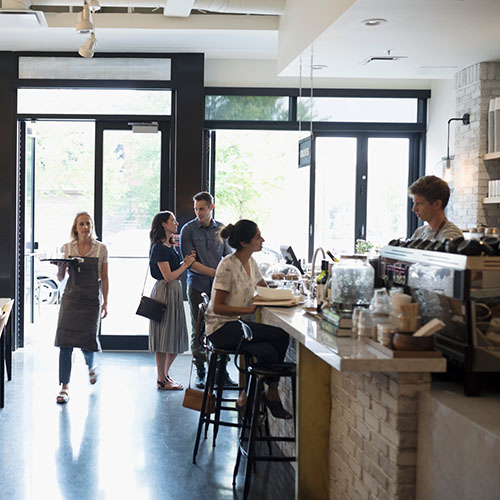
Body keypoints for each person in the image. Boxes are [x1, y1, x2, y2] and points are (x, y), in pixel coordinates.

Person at [204, 219, 292, 419]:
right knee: (278, 337)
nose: (263, 240)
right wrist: (247, 307)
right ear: (244, 243)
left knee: (270, 349)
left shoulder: (251, 262)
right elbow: (217, 307)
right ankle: (270, 395)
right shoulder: (227, 265)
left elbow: (264, 289)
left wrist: (286, 296)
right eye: (257, 237)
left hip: (237, 324)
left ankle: (250, 396)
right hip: (220, 328)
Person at [54, 212, 109, 404]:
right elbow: (61, 278)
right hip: (70, 299)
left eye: (88, 223)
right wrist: (61, 266)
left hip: (91, 300)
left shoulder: (101, 249)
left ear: (92, 226)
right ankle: (64, 386)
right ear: (75, 227)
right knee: (65, 343)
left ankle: (91, 366)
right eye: (81, 224)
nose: (85, 227)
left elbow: (105, 277)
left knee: (87, 340)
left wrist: (106, 301)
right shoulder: (67, 248)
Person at [180, 192, 233, 389]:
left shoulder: (222, 229)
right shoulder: (188, 230)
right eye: (196, 209)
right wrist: (215, 272)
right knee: (198, 328)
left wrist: (223, 277)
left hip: (220, 288)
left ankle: (222, 372)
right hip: (197, 285)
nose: (198, 213)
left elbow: (229, 257)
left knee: (222, 326)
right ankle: (201, 372)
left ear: (211, 207)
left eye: (201, 208)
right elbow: (190, 262)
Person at [148, 210, 196, 390]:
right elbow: (168, 276)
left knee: (173, 337)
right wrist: (186, 264)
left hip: (173, 291)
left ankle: (164, 376)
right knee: (163, 337)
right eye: (172, 221)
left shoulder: (169, 245)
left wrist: (184, 262)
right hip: (165, 291)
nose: (176, 223)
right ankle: (162, 378)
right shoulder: (159, 247)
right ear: (163, 224)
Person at [409, 175, 463, 241]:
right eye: (414, 203)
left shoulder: (451, 236)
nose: (414, 209)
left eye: (419, 204)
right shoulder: (419, 232)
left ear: (437, 204)